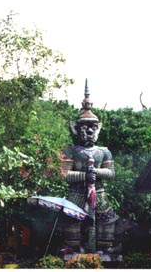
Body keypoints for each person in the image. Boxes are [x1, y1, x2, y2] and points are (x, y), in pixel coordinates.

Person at [60, 80, 118, 253]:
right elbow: (64, 174)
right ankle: (74, 249)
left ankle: (104, 249)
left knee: (106, 219)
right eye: (85, 127)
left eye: (93, 127)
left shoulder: (103, 151)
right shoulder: (71, 151)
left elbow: (111, 173)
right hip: (76, 192)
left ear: (98, 129)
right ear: (76, 129)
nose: (90, 131)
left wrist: (96, 172)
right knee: (72, 219)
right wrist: (85, 175)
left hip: (98, 192)